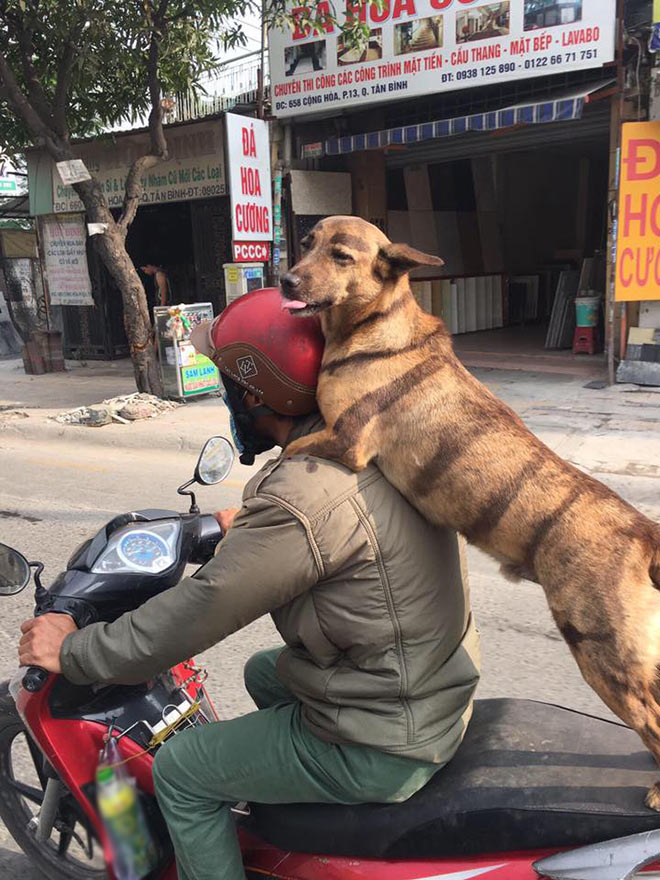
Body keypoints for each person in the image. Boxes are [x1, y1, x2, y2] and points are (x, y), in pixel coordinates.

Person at [18, 288, 481, 880]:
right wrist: (253, 525)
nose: (228, 401)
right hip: (429, 686)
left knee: (182, 770)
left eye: (229, 386)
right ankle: (287, 821)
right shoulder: (377, 443)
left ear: (258, 392)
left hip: (388, 739)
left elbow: (201, 610)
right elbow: (332, 531)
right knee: (263, 669)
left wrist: (76, 650)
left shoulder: (304, 500)